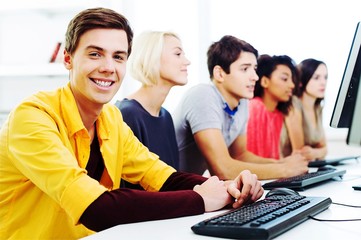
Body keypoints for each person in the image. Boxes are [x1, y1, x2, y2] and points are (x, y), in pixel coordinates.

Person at [0, 8, 264, 239]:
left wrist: (229, 187)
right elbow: (96, 208)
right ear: (68, 59)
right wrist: (200, 199)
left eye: (118, 56)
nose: (108, 67)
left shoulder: (111, 119)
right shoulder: (33, 116)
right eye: (95, 54)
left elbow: (163, 177)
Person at [173, 35, 308, 181]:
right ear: (220, 74)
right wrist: (285, 170)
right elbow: (222, 169)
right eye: (244, 69)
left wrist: (282, 163)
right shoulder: (203, 95)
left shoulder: (241, 102)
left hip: (187, 184)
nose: (255, 77)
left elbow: (241, 155)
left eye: (254, 69)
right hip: (166, 189)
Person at [115, 31, 190, 170]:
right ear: (152, 58)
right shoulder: (127, 115)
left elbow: (172, 179)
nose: (187, 61)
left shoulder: (165, 116)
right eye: (178, 54)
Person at [247, 54, 297, 159]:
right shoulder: (255, 107)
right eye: (284, 79)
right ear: (265, 81)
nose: (292, 85)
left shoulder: (277, 115)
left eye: (292, 79)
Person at [281, 58, 328, 160]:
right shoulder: (293, 103)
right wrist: (318, 152)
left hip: (309, 166)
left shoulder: (317, 107)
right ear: (302, 80)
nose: (323, 82)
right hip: (289, 169)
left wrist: (315, 153)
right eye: (316, 78)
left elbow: (325, 149)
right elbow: (300, 152)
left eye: (325, 77)